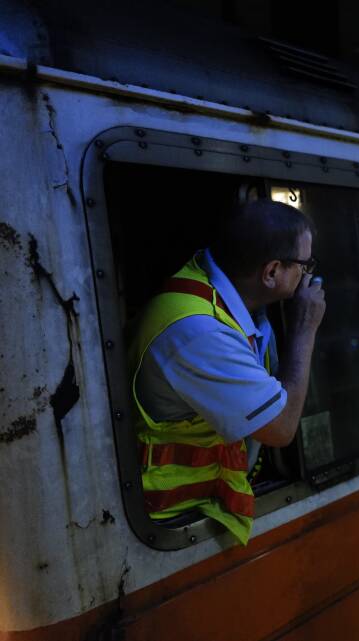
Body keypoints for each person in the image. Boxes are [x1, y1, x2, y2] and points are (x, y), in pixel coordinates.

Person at [128, 199, 327, 545]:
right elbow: (280, 429)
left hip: (204, 503)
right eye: (304, 264)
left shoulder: (222, 297)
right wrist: (304, 329)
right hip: (171, 517)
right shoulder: (199, 332)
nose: (308, 275)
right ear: (271, 272)